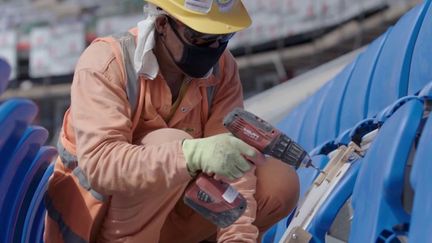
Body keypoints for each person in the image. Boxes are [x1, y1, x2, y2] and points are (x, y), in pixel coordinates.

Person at [44, 0, 299, 242]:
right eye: (200, 37)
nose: (212, 49)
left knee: (278, 181)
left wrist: (238, 237)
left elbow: (233, 165)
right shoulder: (106, 64)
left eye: (222, 38)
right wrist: (189, 154)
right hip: (95, 223)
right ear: (162, 24)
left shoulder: (221, 69)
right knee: (169, 143)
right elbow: (101, 166)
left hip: (167, 217)